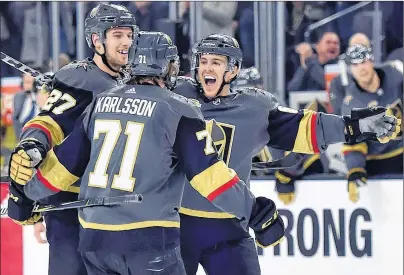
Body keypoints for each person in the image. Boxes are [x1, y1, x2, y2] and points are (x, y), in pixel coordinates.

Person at [10, 31, 284, 275]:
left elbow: (62, 167)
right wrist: (255, 210)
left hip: (95, 239)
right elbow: (210, 177)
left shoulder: (101, 103)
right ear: (168, 66)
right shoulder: (180, 108)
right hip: (148, 240)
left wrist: (23, 194)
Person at [173, 34, 401, 275]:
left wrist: (354, 127)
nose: (207, 68)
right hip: (176, 224)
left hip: (229, 225)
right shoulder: (176, 96)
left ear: (233, 69)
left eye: (216, 62)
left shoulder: (253, 109)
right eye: (204, 61)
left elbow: (307, 127)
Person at [7, 4, 138, 275]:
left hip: (122, 210)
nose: (126, 42)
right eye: (117, 35)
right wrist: (34, 144)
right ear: (96, 40)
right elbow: (48, 122)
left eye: (129, 34)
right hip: (72, 207)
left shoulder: (142, 79)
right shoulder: (79, 78)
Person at [340, 44, 403, 203]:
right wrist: (355, 169)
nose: (361, 68)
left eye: (364, 61)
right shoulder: (351, 104)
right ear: (350, 69)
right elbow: (353, 143)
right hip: (379, 163)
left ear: (372, 61)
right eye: (355, 64)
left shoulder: (396, 75)